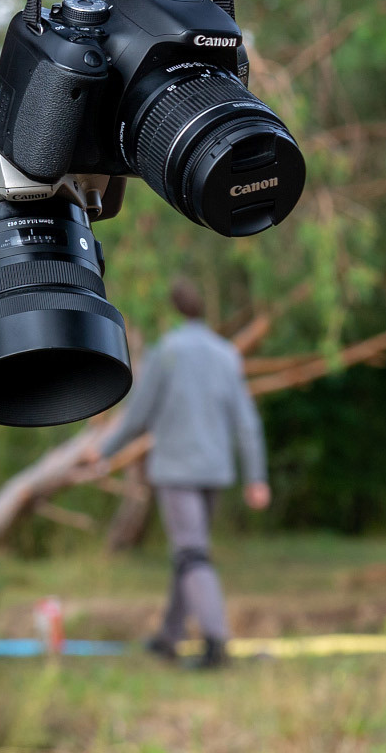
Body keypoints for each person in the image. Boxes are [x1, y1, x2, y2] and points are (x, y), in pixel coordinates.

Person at [99, 275, 271, 670]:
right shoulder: (226, 354)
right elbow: (246, 422)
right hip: (215, 471)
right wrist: (256, 477)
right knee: (189, 552)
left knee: (192, 553)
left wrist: (103, 452)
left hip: (177, 471)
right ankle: (169, 636)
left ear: (174, 310)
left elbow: (137, 416)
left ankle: (216, 642)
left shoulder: (166, 353)